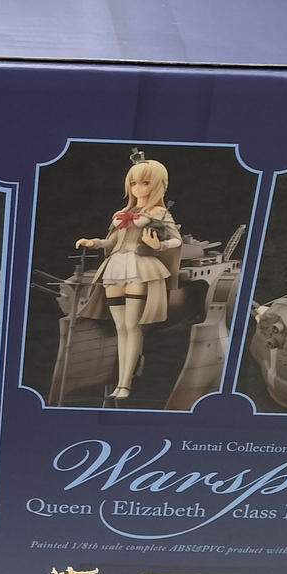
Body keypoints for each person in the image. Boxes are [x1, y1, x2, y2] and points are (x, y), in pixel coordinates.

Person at [75, 155, 182, 400]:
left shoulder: (160, 212)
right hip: (116, 266)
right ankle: (121, 381)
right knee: (121, 327)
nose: (137, 188)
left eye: (145, 183)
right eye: (133, 183)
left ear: (158, 185)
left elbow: (176, 240)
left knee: (133, 326)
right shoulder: (122, 213)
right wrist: (93, 242)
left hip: (140, 266)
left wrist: (159, 246)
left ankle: (125, 384)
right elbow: (112, 241)